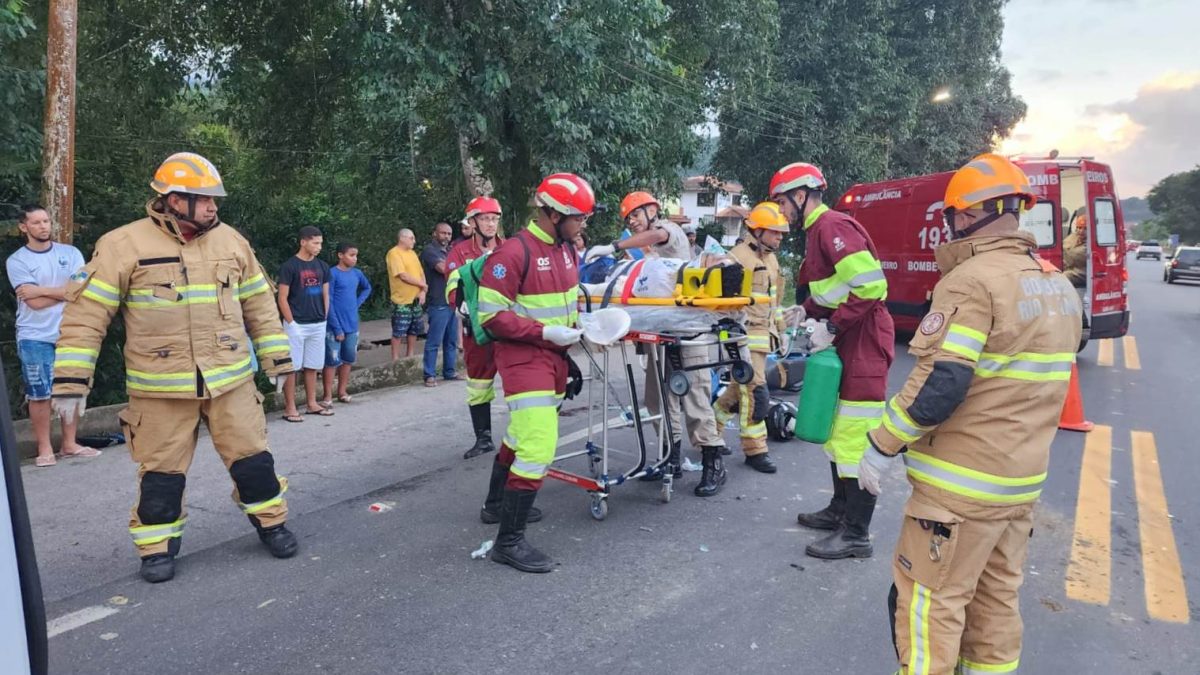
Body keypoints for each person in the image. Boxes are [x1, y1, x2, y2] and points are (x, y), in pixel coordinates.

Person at [859, 154, 1081, 674]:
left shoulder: (971, 280)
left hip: (959, 491)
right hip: (1019, 486)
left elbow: (942, 381)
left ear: (967, 215)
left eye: (952, 215)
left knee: (928, 606)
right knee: (995, 606)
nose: (949, 224)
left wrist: (881, 445)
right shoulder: (1056, 285)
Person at [51, 152, 297, 583]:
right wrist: (71, 381)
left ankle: (272, 525)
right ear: (171, 199)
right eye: (202, 199)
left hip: (231, 380)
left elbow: (259, 304)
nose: (212, 207)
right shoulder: (122, 245)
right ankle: (157, 548)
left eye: (213, 199)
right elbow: (87, 315)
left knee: (254, 462)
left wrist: (278, 359)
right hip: (160, 389)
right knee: (161, 476)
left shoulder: (232, 242)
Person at [771, 161, 893, 560]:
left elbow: (872, 285)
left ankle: (856, 534)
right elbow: (835, 288)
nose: (781, 211)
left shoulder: (832, 227)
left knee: (856, 435)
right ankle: (840, 511)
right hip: (851, 337)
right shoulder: (817, 232)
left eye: (782, 202)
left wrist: (835, 327)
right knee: (840, 431)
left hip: (864, 339)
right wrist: (805, 310)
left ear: (801, 195)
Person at [477, 172, 591, 573]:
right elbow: (490, 316)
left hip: (553, 357)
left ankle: (494, 506)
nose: (582, 225)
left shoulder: (565, 250)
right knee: (539, 445)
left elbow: (564, 307)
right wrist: (545, 332)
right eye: (578, 217)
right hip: (524, 360)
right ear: (552, 213)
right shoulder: (512, 252)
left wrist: (575, 338)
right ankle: (508, 542)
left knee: (519, 435)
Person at [589, 191, 729, 496]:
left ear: (652, 210)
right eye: (628, 220)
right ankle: (671, 457)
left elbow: (657, 234)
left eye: (636, 215)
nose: (634, 223)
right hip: (659, 332)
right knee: (656, 399)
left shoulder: (670, 231)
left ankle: (713, 462)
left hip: (688, 329)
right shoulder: (645, 254)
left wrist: (613, 245)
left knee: (694, 398)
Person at [5, 204, 98, 467]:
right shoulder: (18, 260)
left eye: (46, 221)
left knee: (71, 389)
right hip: (35, 335)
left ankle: (70, 444)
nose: (43, 226)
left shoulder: (71, 253)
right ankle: (44, 448)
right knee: (39, 393)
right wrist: (64, 292)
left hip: (70, 332)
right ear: (24, 227)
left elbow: (81, 290)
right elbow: (32, 303)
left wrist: (41, 290)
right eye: (36, 222)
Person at [709, 202, 789, 476]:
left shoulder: (772, 259)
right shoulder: (735, 258)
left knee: (736, 390)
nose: (780, 237)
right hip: (741, 334)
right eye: (775, 232)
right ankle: (756, 450)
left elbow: (775, 301)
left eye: (781, 233)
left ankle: (711, 433)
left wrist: (781, 330)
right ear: (757, 230)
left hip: (764, 336)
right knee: (756, 391)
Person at [446, 197, 504, 460]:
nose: (491, 224)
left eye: (494, 219)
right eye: (485, 219)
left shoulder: (508, 248)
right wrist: (461, 306)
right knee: (479, 384)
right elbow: (452, 286)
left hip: (506, 327)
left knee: (519, 380)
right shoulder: (459, 253)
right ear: (472, 222)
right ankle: (483, 438)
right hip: (477, 330)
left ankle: (522, 434)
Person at [279, 226, 333, 421]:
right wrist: (290, 321)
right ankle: (290, 407)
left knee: (312, 365)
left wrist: (324, 317)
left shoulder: (323, 266)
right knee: (292, 367)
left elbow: (326, 293)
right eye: (315, 242)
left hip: (318, 322)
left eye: (320, 243)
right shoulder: (290, 266)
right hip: (297, 323)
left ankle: (311, 403)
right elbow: (282, 297)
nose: (319, 247)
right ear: (303, 242)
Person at [321, 242, 372, 406]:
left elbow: (367, 288)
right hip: (334, 325)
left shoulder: (357, 274)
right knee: (331, 361)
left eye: (356, 255)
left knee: (348, 359)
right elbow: (329, 301)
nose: (354, 258)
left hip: (352, 325)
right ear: (340, 255)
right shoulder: (332, 274)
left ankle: (342, 391)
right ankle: (327, 395)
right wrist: (337, 328)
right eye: (351, 255)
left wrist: (357, 303)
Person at [420, 221, 458, 386]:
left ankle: (449, 372)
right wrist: (459, 267)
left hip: (452, 301)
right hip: (438, 301)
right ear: (435, 233)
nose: (446, 237)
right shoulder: (430, 251)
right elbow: (444, 269)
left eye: (449, 234)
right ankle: (429, 374)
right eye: (443, 233)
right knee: (434, 341)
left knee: (451, 341)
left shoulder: (450, 250)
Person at [386, 228, 427, 361]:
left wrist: (423, 291)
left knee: (414, 329)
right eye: (411, 238)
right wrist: (423, 285)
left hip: (416, 299)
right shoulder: (394, 253)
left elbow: (421, 273)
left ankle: (410, 355)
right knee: (398, 330)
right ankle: (395, 358)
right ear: (402, 238)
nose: (414, 241)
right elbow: (403, 275)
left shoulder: (413, 254)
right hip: (401, 301)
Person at [1063, 208, 1088, 288]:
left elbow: (1077, 254)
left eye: (1085, 228)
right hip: (1070, 269)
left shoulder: (1092, 242)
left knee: (1064, 277)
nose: (1081, 231)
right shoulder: (1073, 237)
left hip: (1082, 272)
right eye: (1079, 228)